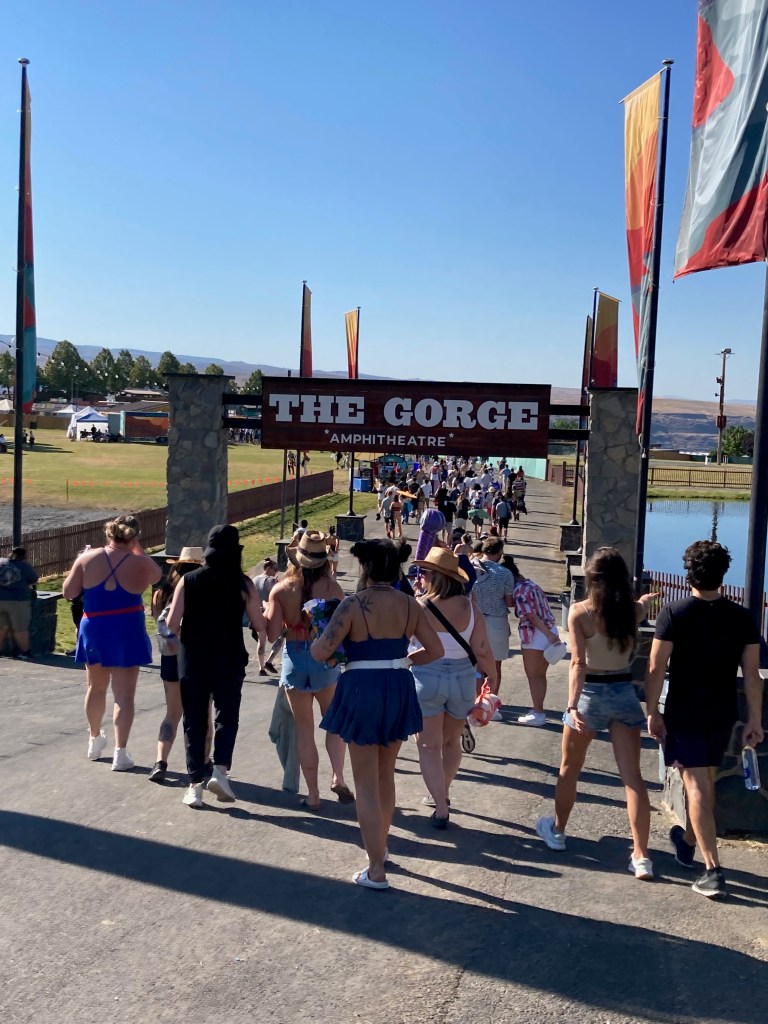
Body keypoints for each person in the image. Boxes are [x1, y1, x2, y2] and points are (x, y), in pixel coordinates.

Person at [312, 539, 443, 889]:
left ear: (366, 568)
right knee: (386, 777)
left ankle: (376, 869)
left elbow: (320, 651)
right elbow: (435, 649)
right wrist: (402, 661)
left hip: (361, 688)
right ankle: (380, 850)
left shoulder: (353, 604)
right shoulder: (411, 603)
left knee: (365, 783)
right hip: (398, 686)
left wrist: (318, 631)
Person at [644, 540, 764, 898]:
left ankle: (713, 871)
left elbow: (655, 667)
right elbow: (752, 674)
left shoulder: (673, 613)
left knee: (697, 786)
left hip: (685, 713)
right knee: (704, 783)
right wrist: (755, 719)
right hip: (722, 713)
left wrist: (652, 711)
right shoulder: (742, 617)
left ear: (688, 574)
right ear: (723, 574)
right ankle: (686, 840)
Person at [536, 547, 656, 881]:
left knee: (569, 769)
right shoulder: (631, 611)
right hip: (623, 693)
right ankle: (641, 856)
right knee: (633, 778)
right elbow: (640, 607)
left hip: (590, 694)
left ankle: (558, 831)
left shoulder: (580, 613)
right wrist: (645, 602)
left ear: (591, 577)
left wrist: (571, 706)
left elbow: (578, 663)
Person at [167, 525, 265, 808]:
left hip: (194, 659)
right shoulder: (243, 583)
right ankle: (220, 771)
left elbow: (172, 623)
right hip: (229, 656)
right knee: (227, 716)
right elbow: (259, 624)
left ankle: (194, 785)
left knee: (194, 721)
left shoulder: (189, 580)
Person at [63, 514, 162, 770]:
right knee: (124, 695)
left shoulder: (87, 558)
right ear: (135, 536)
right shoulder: (141, 562)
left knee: (95, 687)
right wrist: (138, 549)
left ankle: (94, 738)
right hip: (127, 626)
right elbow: (156, 577)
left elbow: (69, 592)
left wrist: (81, 562)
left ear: (109, 533)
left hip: (95, 626)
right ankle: (121, 752)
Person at [265, 530, 353, 811]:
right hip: (324, 657)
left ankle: (313, 795)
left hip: (294, 657)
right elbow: (343, 628)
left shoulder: (281, 589)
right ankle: (338, 776)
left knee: (305, 729)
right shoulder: (333, 588)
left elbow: (271, 634)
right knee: (333, 723)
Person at [411, 547, 496, 826]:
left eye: (424, 572)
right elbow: (481, 649)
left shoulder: (419, 607)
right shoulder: (470, 607)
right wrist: (492, 677)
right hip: (463, 678)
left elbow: (406, 645)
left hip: (427, 677)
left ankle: (440, 805)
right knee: (450, 742)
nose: (420, 576)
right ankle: (443, 793)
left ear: (436, 577)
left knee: (428, 746)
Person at [148, 546, 205, 783]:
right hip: (195, 655)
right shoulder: (200, 590)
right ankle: (204, 762)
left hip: (170, 656)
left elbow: (157, 620)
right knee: (202, 714)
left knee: (172, 713)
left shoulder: (161, 593)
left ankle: (160, 761)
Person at [503, 556, 560, 727]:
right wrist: (550, 634)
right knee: (540, 675)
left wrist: (548, 635)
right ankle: (538, 709)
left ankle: (538, 712)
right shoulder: (531, 585)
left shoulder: (519, 591)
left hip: (535, 634)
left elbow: (530, 616)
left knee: (533, 676)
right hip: (549, 629)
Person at [470, 537, 515, 711]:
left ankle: (476, 701)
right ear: (500, 552)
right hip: (496, 620)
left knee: (477, 665)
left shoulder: (470, 568)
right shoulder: (505, 573)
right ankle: (490, 705)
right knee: (495, 666)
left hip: (474, 620)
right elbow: (509, 602)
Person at [0, 546, 39, 659]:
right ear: (24, 556)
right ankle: (24, 651)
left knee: (2, 627)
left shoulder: (1, 562)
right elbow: (34, 579)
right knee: (20, 628)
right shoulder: (24, 566)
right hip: (18, 600)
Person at [252, 557, 283, 673]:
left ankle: (261, 668)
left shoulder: (254, 580)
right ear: (268, 568)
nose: (276, 572)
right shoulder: (272, 581)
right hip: (270, 614)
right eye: (275, 569)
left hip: (257, 614)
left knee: (261, 642)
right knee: (282, 636)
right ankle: (269, 661)